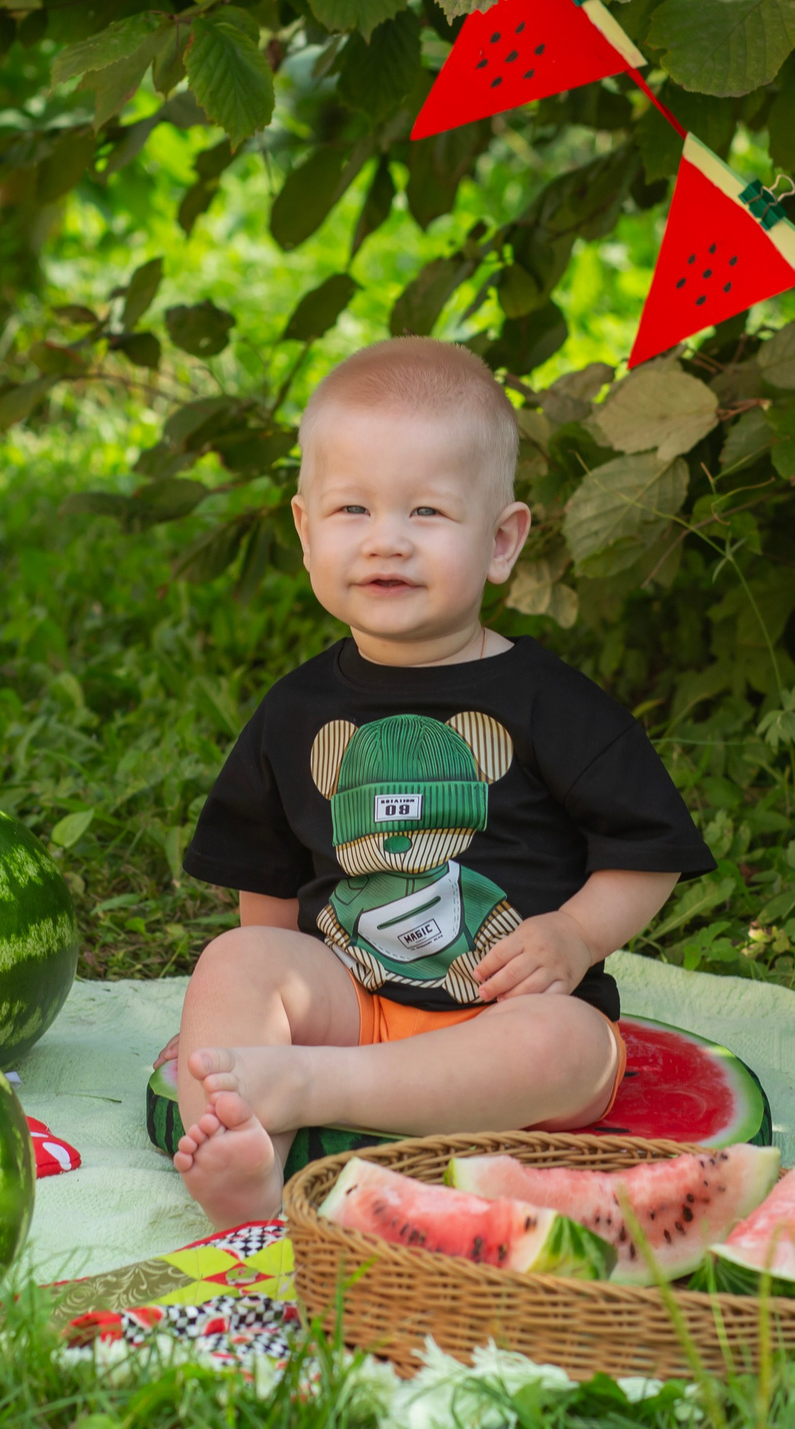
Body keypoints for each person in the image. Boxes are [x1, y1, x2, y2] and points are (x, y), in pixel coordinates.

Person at [166, 337, 713, 1226]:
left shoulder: (551, 704)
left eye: (426, 511)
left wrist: (575, 936)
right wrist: (252, 1012)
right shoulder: (295, 710)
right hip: (354, 1002)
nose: (387, 540)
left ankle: (306, 1090)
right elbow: (264, 880)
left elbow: (647, 851)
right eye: (352, 508)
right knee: (233, 961)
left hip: (506, 1018)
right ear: (305, 533)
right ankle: (242, 1158)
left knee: (570, 1048)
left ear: (500, 542)